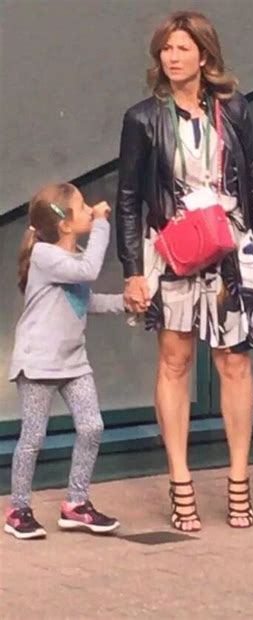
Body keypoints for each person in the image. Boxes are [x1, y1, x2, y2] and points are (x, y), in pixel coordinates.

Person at [116, 11, 253, 531]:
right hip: (172, 246)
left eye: (182, 48)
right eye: (166, 49)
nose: (172, 57)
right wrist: (131, 270)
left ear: (204, 55)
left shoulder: (233, 108)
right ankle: (180, 480)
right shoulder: (143, 118)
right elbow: (128, 198)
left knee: (235, 362)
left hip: (231, 244)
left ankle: (239, 480)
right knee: (174, 360)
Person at [4, 183, 123, 539]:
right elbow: (88, 272)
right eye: (83, 207)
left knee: (92, 427)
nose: (91, 209)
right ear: (65, 224)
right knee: (33, 437)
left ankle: (76, 503)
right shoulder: (44, 255)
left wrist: (127, 303)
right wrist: (102, 223)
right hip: (38, 363)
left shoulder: (75, 258)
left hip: (73, 362)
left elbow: (85, 301)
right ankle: (18, 510)